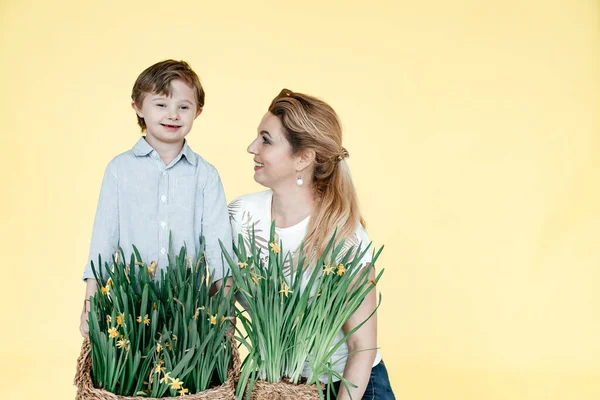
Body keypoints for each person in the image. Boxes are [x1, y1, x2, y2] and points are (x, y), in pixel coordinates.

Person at [228, 89, 395, 399]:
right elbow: (217, 303)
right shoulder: (241, 216)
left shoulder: (344, 236)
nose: (252, 148)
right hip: (274, 385)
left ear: (302, 158)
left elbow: (362, 348)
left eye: (266, 140)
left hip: (349, 386)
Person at [79, 59, 233, 337]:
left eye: (183, 107)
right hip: (131, 307)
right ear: (138, 107)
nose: (172, 115)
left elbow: (218, 246)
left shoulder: (206, 175)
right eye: (161, 104)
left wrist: (224, 307)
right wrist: (90, 300)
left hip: (189, 312)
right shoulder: (119, 169)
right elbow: (104, 238)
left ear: (197, 112)